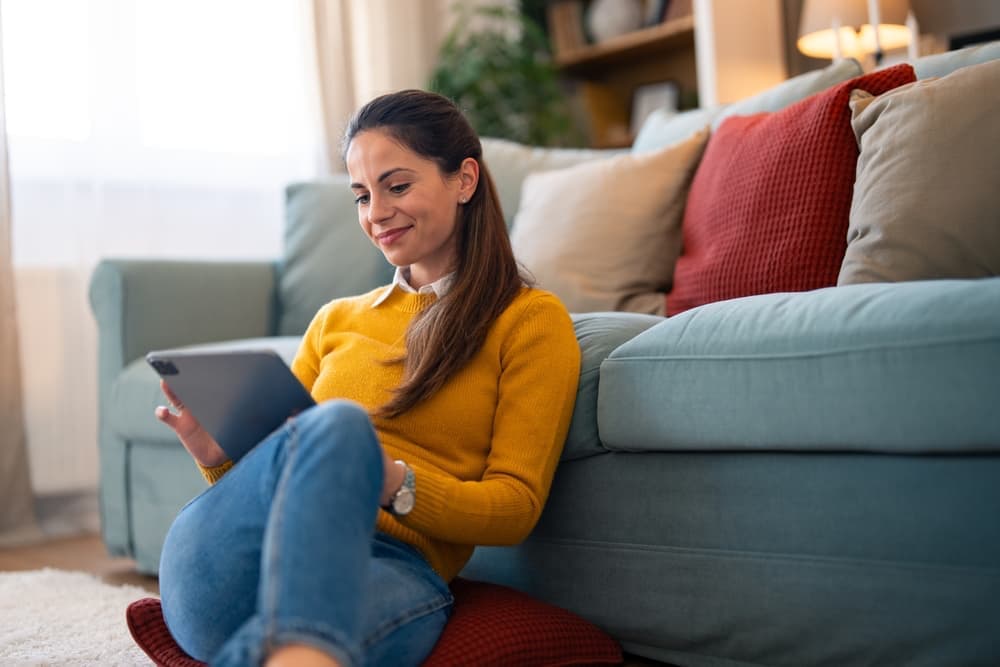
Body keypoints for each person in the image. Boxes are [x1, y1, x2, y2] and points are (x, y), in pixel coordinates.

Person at [154, 89, 581, 667]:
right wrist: (219, 460)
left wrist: (391, 482)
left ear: (465, 180)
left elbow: (515, 507)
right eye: (361, 195)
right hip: (231, 561)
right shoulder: (335, 320)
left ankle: (292, 650)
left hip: (392, 566)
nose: (375, 213)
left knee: (340, 432)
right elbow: (278, 468)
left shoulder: (528, 321)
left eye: (396, 186)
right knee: (336, 428)